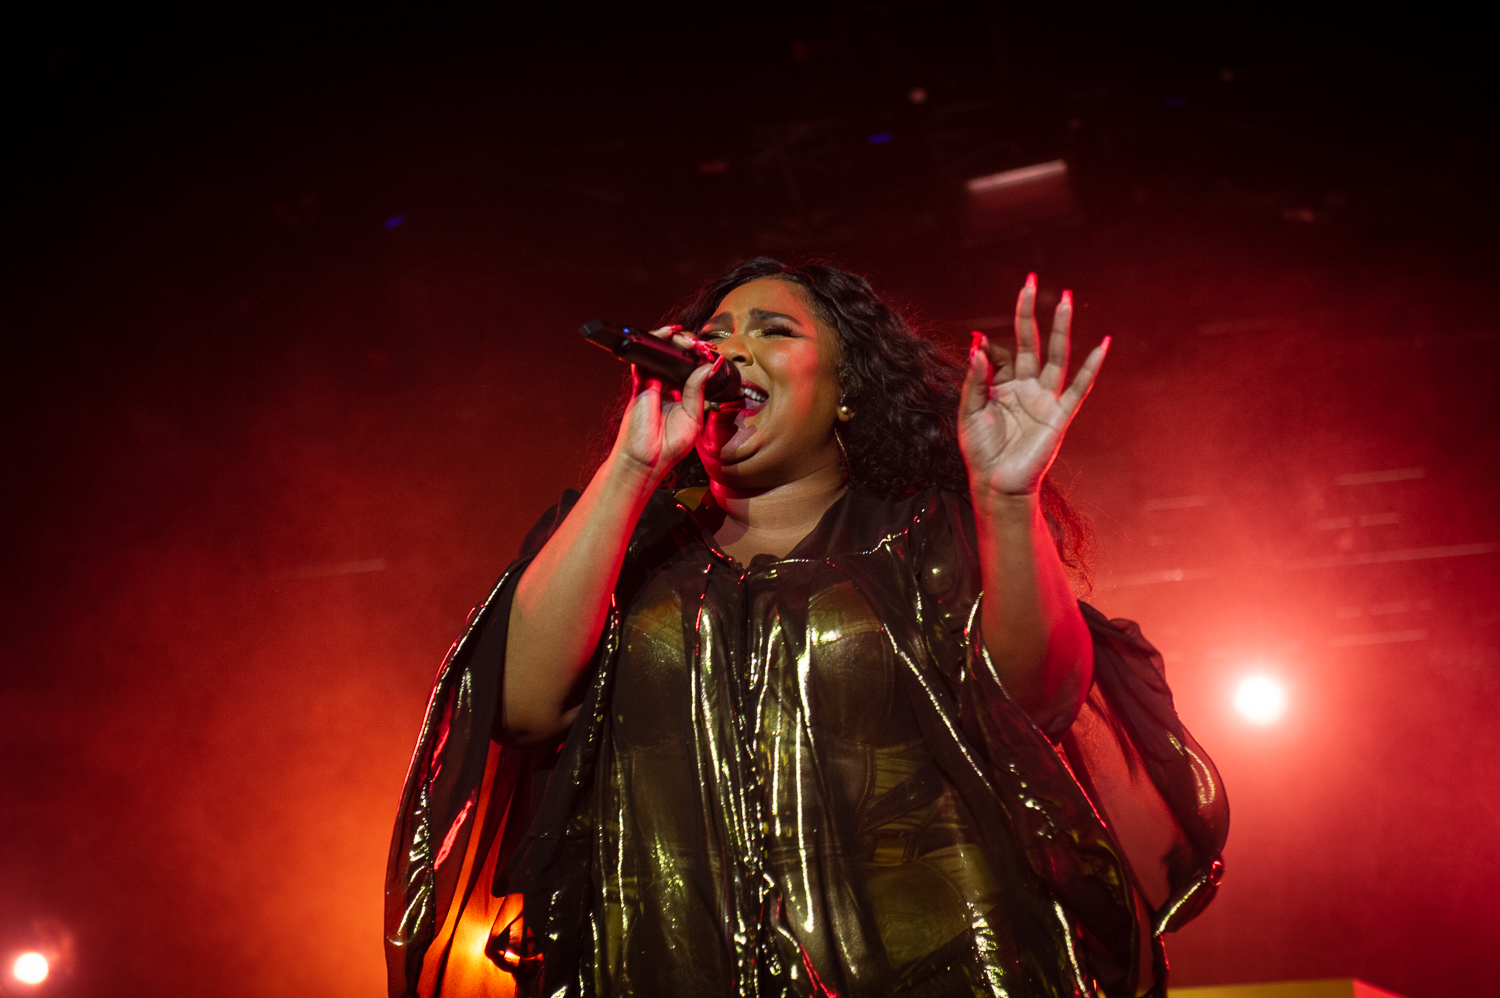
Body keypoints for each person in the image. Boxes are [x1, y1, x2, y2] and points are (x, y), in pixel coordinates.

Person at [384, 259, 1228, 998]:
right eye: (713, 333)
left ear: (845, 391)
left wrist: (1007, 501)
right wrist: (636, 464)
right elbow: (521, 708)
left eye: (771, 330)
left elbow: (1040, 702)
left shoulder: (931, 534)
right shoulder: (623, 552)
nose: (727, 349)